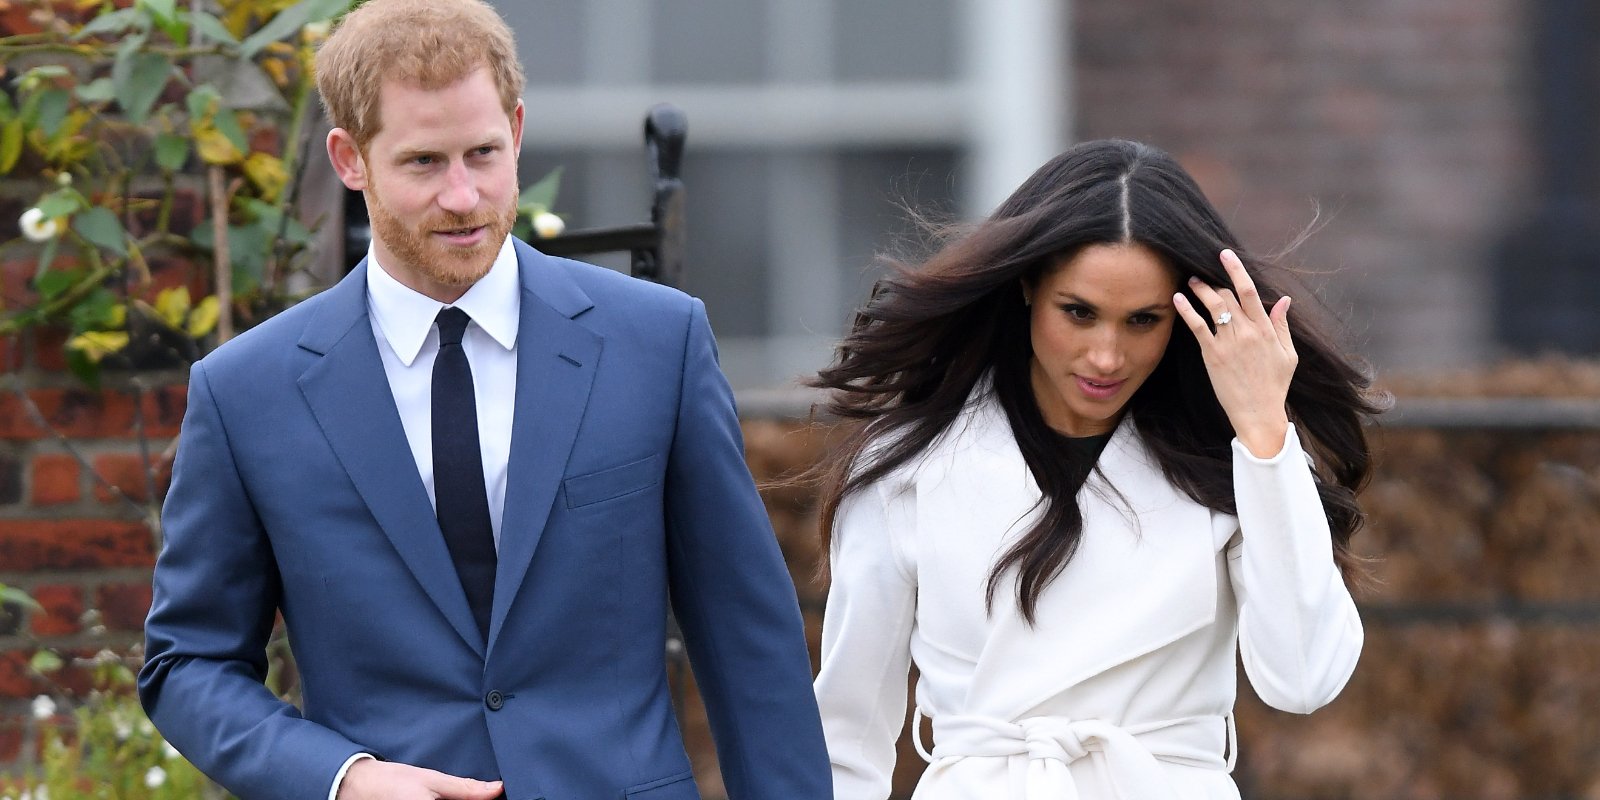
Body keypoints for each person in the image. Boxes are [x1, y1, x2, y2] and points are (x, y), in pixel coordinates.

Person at [137, 2, 831, 799]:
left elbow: (748, 638)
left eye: (484, 154)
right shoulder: (245, 391)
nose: (464, 197)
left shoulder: (657, 343)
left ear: (519, 129)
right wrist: (342, 779)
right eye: (425, 163)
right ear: (349, 158)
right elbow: (187, 662)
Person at [809, 139, 1380, 799]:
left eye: (1143, 321)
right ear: (1027, 286)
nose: (1106, 356)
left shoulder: (1241, 465)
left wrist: (1265, 435)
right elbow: (846, 739)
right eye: (1078, 313)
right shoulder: (908, 468)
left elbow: (1304, 680)